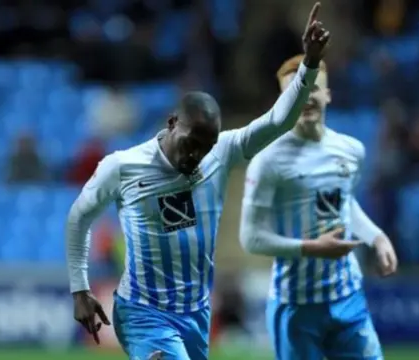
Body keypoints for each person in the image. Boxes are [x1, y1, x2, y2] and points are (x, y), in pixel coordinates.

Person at [66, 3, 330, 359]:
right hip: (143, 312)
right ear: (173, 122)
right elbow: (79, 217)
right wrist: (80, 288)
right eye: (192, 144)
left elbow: (277, 122)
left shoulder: (221, 152)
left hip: (196, 314)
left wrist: (309, 66)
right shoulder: (123, 166)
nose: (197, 156)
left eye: (205, 148)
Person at [239, 53, 398, 360]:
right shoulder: (268, 159)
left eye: (313, 89)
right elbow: (250, 237)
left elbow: (343, 202)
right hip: (295, 305)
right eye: (295, 92)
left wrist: (377, 237)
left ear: (328, 94)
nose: (306, 98)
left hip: (347, 296)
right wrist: (312, 247)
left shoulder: (351, 150)